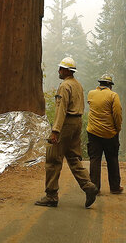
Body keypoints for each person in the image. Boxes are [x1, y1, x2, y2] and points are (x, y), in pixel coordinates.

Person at [35, 56, 98, 208]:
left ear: (66, 70)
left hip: (66, 123)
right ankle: (89, 186)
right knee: (73, 157)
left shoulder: (64, 86)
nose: (59, 71)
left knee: (53, 159)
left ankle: (51, 196)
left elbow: (61, 109)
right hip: (77, 123)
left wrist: (55, 131)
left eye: (61, 68)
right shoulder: (78, 85)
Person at [86, 74, 123, 194]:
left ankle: (95, 188)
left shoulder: (91, 93)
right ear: (110, 86)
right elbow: (117, 114)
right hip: (109, 133)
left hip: (93, 132)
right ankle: (115, 187)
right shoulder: (113, 95)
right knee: (112, 159)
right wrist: (117, 128)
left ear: (100, 83)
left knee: (95, 159)